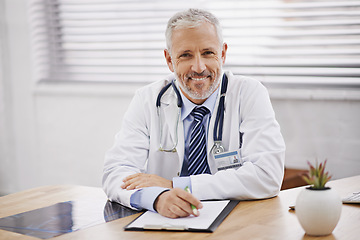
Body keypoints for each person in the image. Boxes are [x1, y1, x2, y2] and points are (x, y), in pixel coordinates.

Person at [102, 8, 285, 219]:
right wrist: (158, 198)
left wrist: (176, 185)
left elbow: (267, 175)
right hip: (168, 223)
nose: (198, 67)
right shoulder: (147, 99)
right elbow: (115, 172)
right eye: (185, 55)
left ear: (223, 54)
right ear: (169, 59)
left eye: (208, 53)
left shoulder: (249, 93)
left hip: (237, 221)